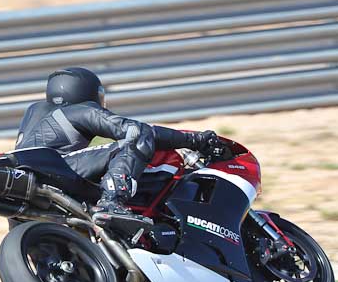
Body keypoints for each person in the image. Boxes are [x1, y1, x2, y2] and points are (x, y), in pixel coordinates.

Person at [15, 67, 221, 225]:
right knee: (138, 138)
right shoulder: (79, 109)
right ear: (84, 91)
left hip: (21, 185)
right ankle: (112, 201)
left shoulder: (35, 113)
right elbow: (135, 130)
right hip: (53, 169)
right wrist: (195, 140)